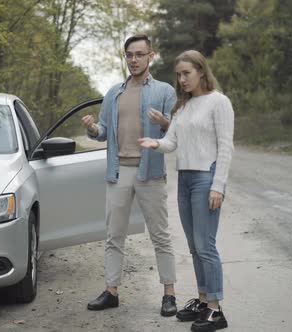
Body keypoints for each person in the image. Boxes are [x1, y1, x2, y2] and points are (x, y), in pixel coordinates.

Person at [81, 34, 178, 316]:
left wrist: (165, 123)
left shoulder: (164, 91)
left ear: (151, 56)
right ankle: (111, 292)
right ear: (125, 58)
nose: (134, 60)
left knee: (160, 235)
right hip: (119, 171)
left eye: (139, 54)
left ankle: (169, 294)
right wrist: (91, 129)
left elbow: (176, 132)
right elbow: (101, 132)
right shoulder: (114, 93)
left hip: (150, 172)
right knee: (114, 235)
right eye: (129, 55)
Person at [138, 50, 234, 332]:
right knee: (194, 247)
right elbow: (171, 142)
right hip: (185, 180)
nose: (181, 80)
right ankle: (204, 301)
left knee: (206, 246)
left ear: (201, 72)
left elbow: (226, 147)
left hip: (207, 178)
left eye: (186, 73)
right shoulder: (183, 107)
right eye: (178, 75)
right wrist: (155, 143)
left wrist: (218, 186)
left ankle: (216, 310)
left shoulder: (219, 102)